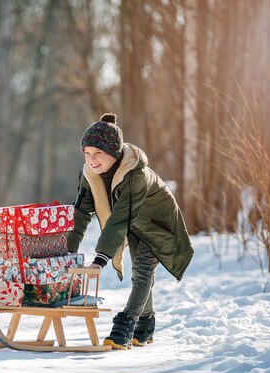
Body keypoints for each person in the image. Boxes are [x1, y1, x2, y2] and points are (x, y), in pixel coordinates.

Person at [67, 113, 194, 350]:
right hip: (132, 223)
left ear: (113, 153)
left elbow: (119, 218)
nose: (92, 160)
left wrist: (101, 259)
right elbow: (81, 213)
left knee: (143, 271)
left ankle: (127, 323)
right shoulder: (90, 175)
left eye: (98, 154)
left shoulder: (135, 174)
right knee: (140, 273)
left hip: (158, 223)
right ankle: (146, 325)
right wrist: (67, 250)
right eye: (87, 153)